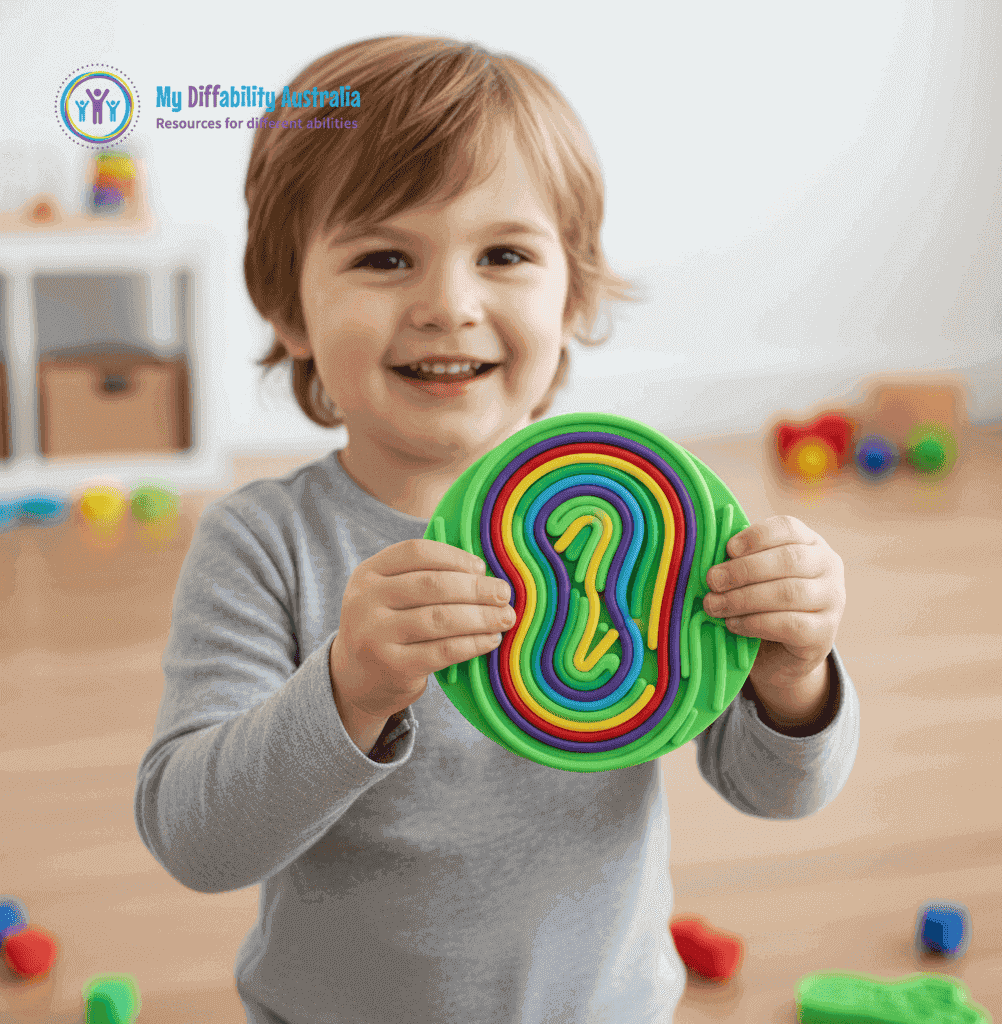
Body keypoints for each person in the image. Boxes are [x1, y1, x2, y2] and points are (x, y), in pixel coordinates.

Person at [134, 35, 859, 1024]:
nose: (448, 305)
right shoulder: (264, 545)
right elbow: (197, 840)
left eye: (505, 254)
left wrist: (794, 677)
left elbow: (776, 794)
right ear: (287, 305)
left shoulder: (650, 527)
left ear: (573, 294)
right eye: (385, 257)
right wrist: (346, 690)